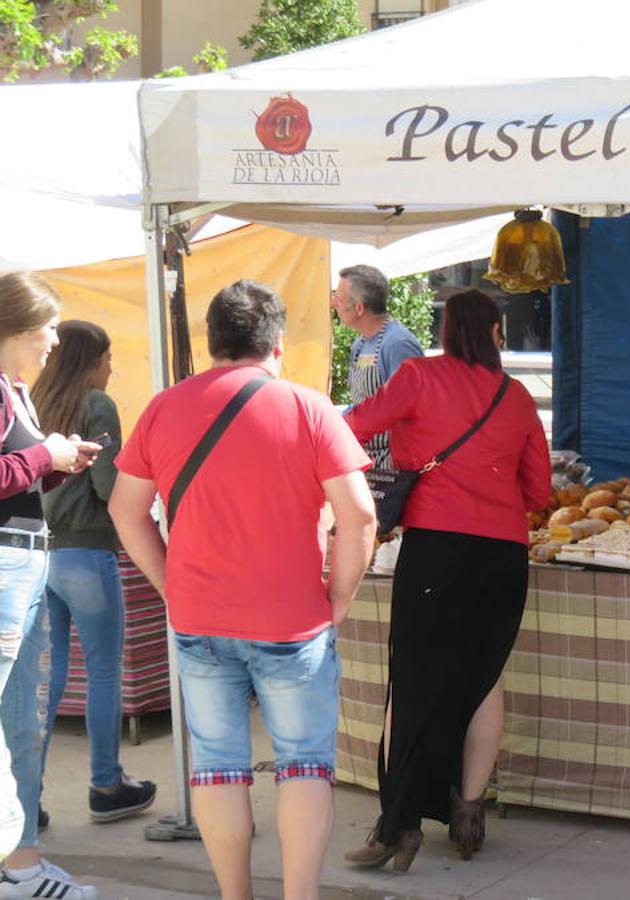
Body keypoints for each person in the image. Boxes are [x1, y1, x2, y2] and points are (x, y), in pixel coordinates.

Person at [109, 280, 376, 900]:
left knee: (218, 768)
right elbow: (359, 515)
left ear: (212, 343)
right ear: (278, 342)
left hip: (199, 617)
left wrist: (170, 582)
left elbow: (126, 511)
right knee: (304, 763)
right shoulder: (308, 409)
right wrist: (340, 596)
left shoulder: (164, 407)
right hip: (292, 620)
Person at [343, 289, 550, 872]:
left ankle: (399, 824)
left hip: (435, 548)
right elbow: (538, 492)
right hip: (502, 555)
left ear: (446, 329)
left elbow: (354, 426)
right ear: (494, 334)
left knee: (413, 679)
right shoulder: (515, 397)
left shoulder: (417, 376)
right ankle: (469, 813)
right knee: (482, 678)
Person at [0, 272, 102, 900]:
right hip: (8, 566)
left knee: (26, 718)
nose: (56, 340)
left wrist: (59, 467)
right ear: (15, 326)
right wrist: (48, 457)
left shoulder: (16, 389)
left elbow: (17, 482)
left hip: (27, 561)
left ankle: (22, 864)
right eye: (49, 326)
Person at [31, 321, 157, 824]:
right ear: (90, 361)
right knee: (104, 670)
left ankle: (26, 798)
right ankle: (106, 784)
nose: (112, 368)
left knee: (47, 679)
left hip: (42, 554)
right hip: (86, 550)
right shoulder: (96, 404)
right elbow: (110, 487)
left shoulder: (33, 399)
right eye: (108, 358)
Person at [330, 265, 423, 469]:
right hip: (367, 460)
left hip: (394, 466)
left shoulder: (398, 344)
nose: (333, 303)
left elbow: (411, 408)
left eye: (339, 298)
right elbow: (360, 403)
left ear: (359, 308)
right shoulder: (359, 345)